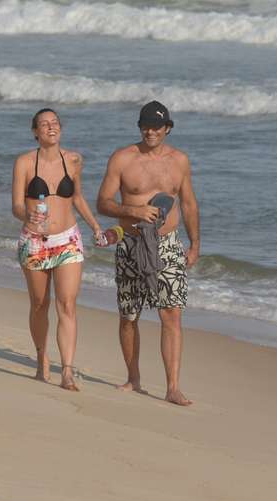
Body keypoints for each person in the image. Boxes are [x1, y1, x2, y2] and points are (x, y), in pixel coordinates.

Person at [97, 100, 200, 406]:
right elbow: (103, 202)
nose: (150, 131)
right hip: (130, 241)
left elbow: (190, 204)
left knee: (172, 314)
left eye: (156, 126)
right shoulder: (122, 158)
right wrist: (134, 210)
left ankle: (172, 387)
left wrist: (195, 244)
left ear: (167, 128)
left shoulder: (179, 160)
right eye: (144, 125)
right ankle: (133, 377)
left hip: (167, 245)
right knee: (129, 315)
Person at [12, 108, 102, 391]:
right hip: (35, 241)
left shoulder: (73, 160)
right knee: (40, 304)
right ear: (35, 132)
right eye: (44, 124)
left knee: (68, 304)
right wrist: (27, 216)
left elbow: (77, 197)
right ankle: (41, 359)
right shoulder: (25, 163)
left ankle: (67, 371)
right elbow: (16, 205)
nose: (51, 127)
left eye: (55, 123)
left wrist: (96, 226)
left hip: (68, 239)